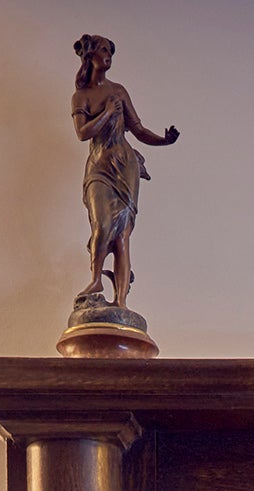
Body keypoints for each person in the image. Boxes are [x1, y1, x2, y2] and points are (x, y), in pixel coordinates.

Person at [71, 34, 178, 310]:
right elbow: (82, 133)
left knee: (122, 236)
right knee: (103, 224)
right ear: (90, 56)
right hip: (99, 167)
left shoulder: (119, 90)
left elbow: (138, 129)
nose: (108, 56)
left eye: (110, 52)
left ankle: (120, 302)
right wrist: (106, 113)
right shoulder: (81, 96)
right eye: (104, 50)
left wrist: (164, 141)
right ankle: (96, 280)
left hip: (125, 165)